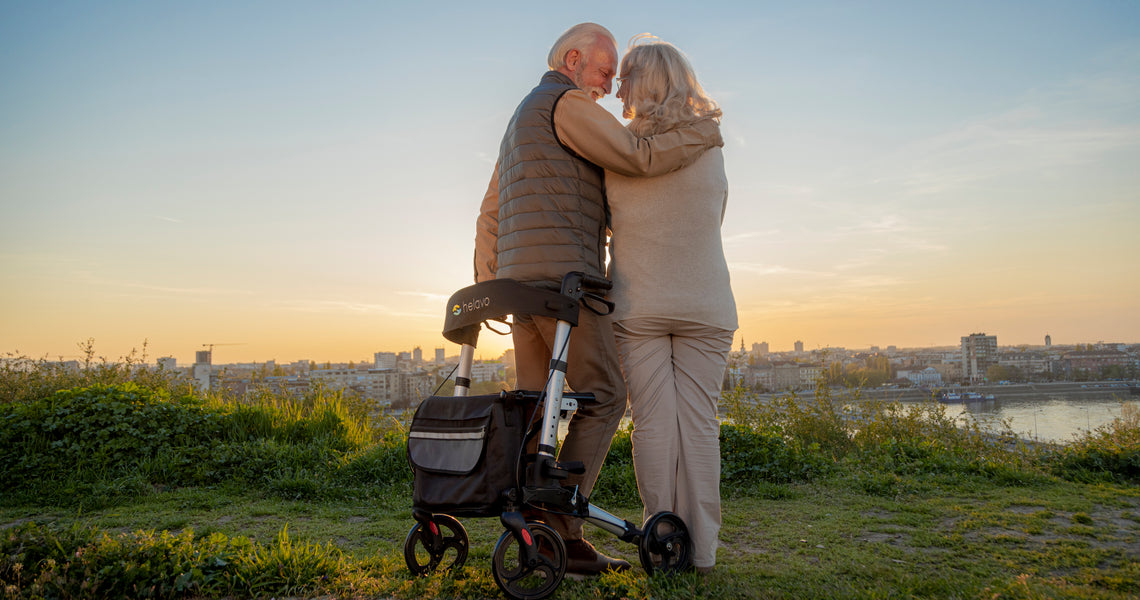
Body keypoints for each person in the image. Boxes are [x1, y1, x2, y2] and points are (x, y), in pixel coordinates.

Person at [473, 23, 723, 576]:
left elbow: (489, 211)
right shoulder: (567, 103)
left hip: (518, 287)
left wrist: (489, 283)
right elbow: (635, 155)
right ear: (571, 59)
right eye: (606, 72)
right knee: (604, 395)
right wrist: (703, 133)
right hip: (565, 284)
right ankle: (559, 527)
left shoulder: (520, 119)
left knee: (538, 411)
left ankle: (530, 529)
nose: (610, 88)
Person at [605, 35, 738, 574]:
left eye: (626, 78)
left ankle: (663, 544)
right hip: (707, 302)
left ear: (647, 81)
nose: (618, 89)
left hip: (639, 305)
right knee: (699, 426)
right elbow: (716, 217)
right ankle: (703, 554)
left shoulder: (619, 152)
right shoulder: (710, 146)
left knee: (654, 427)